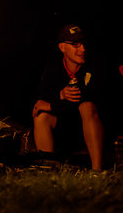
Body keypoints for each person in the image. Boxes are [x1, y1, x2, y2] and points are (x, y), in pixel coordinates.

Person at [32, 24, 105, 170]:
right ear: (62, 47)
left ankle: (97, 170)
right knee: (41, 116)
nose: (82, 49)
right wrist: (60, 95)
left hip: (89, 126)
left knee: (87, 107)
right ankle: (48, 169)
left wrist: (53, 104)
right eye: (75, 45)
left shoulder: (94, 65)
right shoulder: (53, 68)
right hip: (65, 127)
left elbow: (87, 98)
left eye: (83, 44)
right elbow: (39, 100)